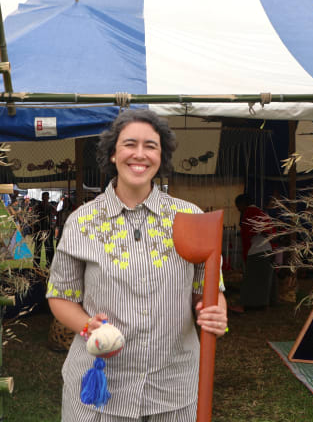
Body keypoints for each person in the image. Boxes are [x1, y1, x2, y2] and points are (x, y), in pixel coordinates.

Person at [47, 109, 228, 421]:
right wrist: (90, 327)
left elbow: (207, 291)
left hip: (173, 390)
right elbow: (61, 296)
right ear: (113, 153)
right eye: (130, 144)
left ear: (162, 156)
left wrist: (215, 310)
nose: (140, 154)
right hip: (99, 391)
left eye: (151, 146)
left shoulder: (191, 218)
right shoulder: (82, 222)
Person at [234, 193, 276, 310]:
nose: (238, 209)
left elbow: (250, 232)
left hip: (257, 249)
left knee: (251, 279)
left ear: (242, 204)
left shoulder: (249, 212)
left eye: (238, 206)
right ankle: (266, 303)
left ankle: (244, 305)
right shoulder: (259, 212)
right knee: (265, 279)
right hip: (266, 248)